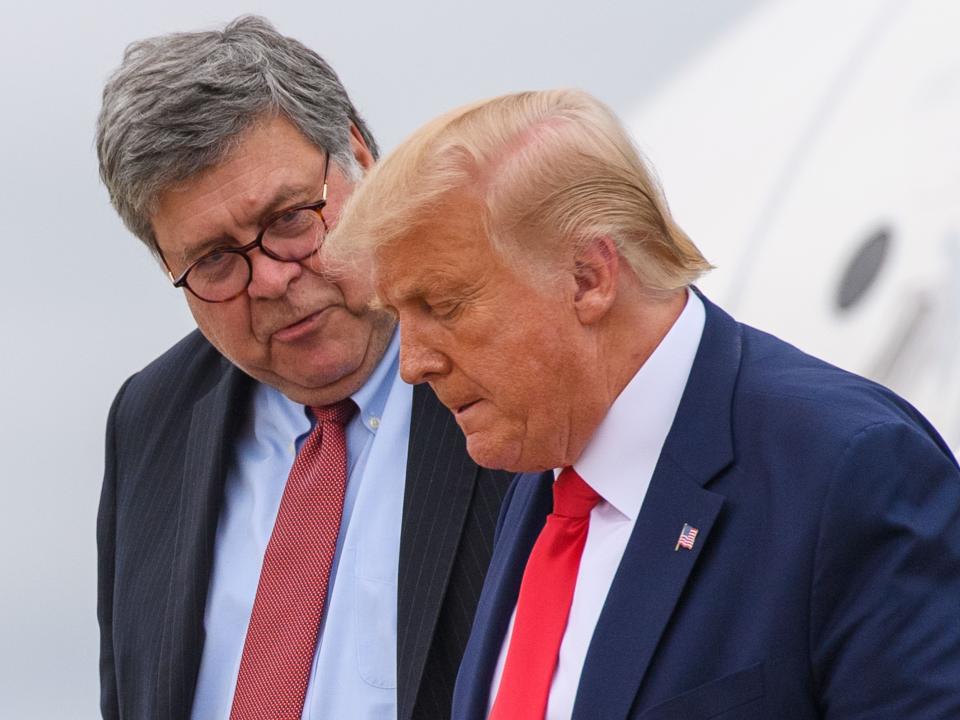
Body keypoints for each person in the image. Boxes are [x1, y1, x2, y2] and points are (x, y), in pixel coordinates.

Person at [324, 89, 960, 718]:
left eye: (444, 306)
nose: (413, 364)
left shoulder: (847, 468)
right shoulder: (543, 471)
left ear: (589, 277)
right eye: (399, 316)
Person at [95, 17, 510, 720]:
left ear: (359, 157)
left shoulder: (509, 363)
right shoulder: (151, 419)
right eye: (216, 261)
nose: (270, 281)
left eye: (290, 219)